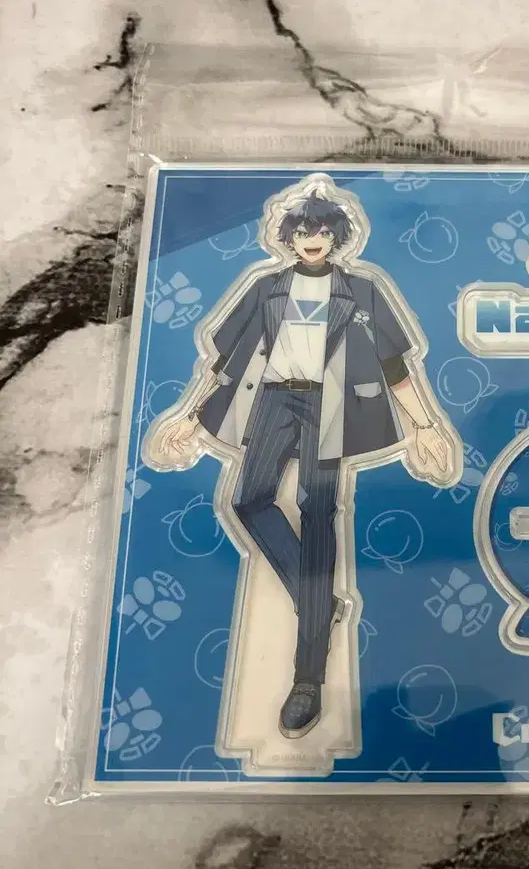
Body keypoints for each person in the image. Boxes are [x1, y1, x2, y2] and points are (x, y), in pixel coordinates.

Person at [153, 189, 453, 738]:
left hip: (331, 405)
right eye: (303, 232)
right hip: (273, 399)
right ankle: (316, 596)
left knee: (319, 514)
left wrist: (425, 425)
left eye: (323, 232)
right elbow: (225, 361)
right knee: (248, 500)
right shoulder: (266, 287)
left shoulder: (361, 290)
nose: (313, 240)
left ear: (338, 238)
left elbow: (393, 364)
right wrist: (191, 415)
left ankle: (308, 680)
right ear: (288, 237)